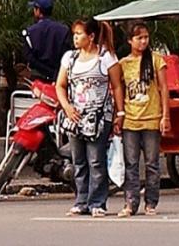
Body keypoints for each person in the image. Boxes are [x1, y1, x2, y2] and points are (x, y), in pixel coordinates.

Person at [56, 19, 121, 217]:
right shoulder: (70, 58)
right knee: (79, 160)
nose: (75, 38)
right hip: (76, 117)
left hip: (99, 118)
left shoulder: (106, 57)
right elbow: (60, 85)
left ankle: (97, 202)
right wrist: (67, 107)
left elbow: (117, 85)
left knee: (96, 160)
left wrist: (120, 113)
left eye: (79, 34)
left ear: (91, 36)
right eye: (74, 34)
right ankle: (81, 200)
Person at [115, 20, 170, 216]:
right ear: (130, 40)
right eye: (139, 38)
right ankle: (130, 203)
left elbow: (164, 88)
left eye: (146, 37)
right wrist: (118, 115)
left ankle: (151, 202)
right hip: (130, 120)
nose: (143, 41)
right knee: (131, 164)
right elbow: (117, 89)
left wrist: (165, 116)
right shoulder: (123, 64)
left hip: (151, 119)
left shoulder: (156, 60)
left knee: (152, 164)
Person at [24, 0, 71, 85]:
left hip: (38, 79)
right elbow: (67, 55)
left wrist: (45, 71)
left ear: (38, 10)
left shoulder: (30, 32)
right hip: (59, 78)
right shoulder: (64, 30)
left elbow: (29, 57)